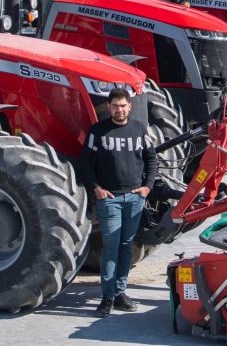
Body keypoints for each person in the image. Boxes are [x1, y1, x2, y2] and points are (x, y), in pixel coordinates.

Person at [79, 88, 157, 318]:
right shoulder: (98, 131)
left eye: (123, 105)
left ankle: (120, 293)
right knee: (110, 248)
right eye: (115, 106)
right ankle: (107, 297)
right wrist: (97, 189)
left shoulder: (139, 129)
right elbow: (85, 162)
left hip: (134, 198)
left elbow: (151, 159)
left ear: (129, 107)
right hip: (110, 200)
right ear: (109, 107)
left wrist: (147, 187)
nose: (119, 109)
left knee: (126, 246)